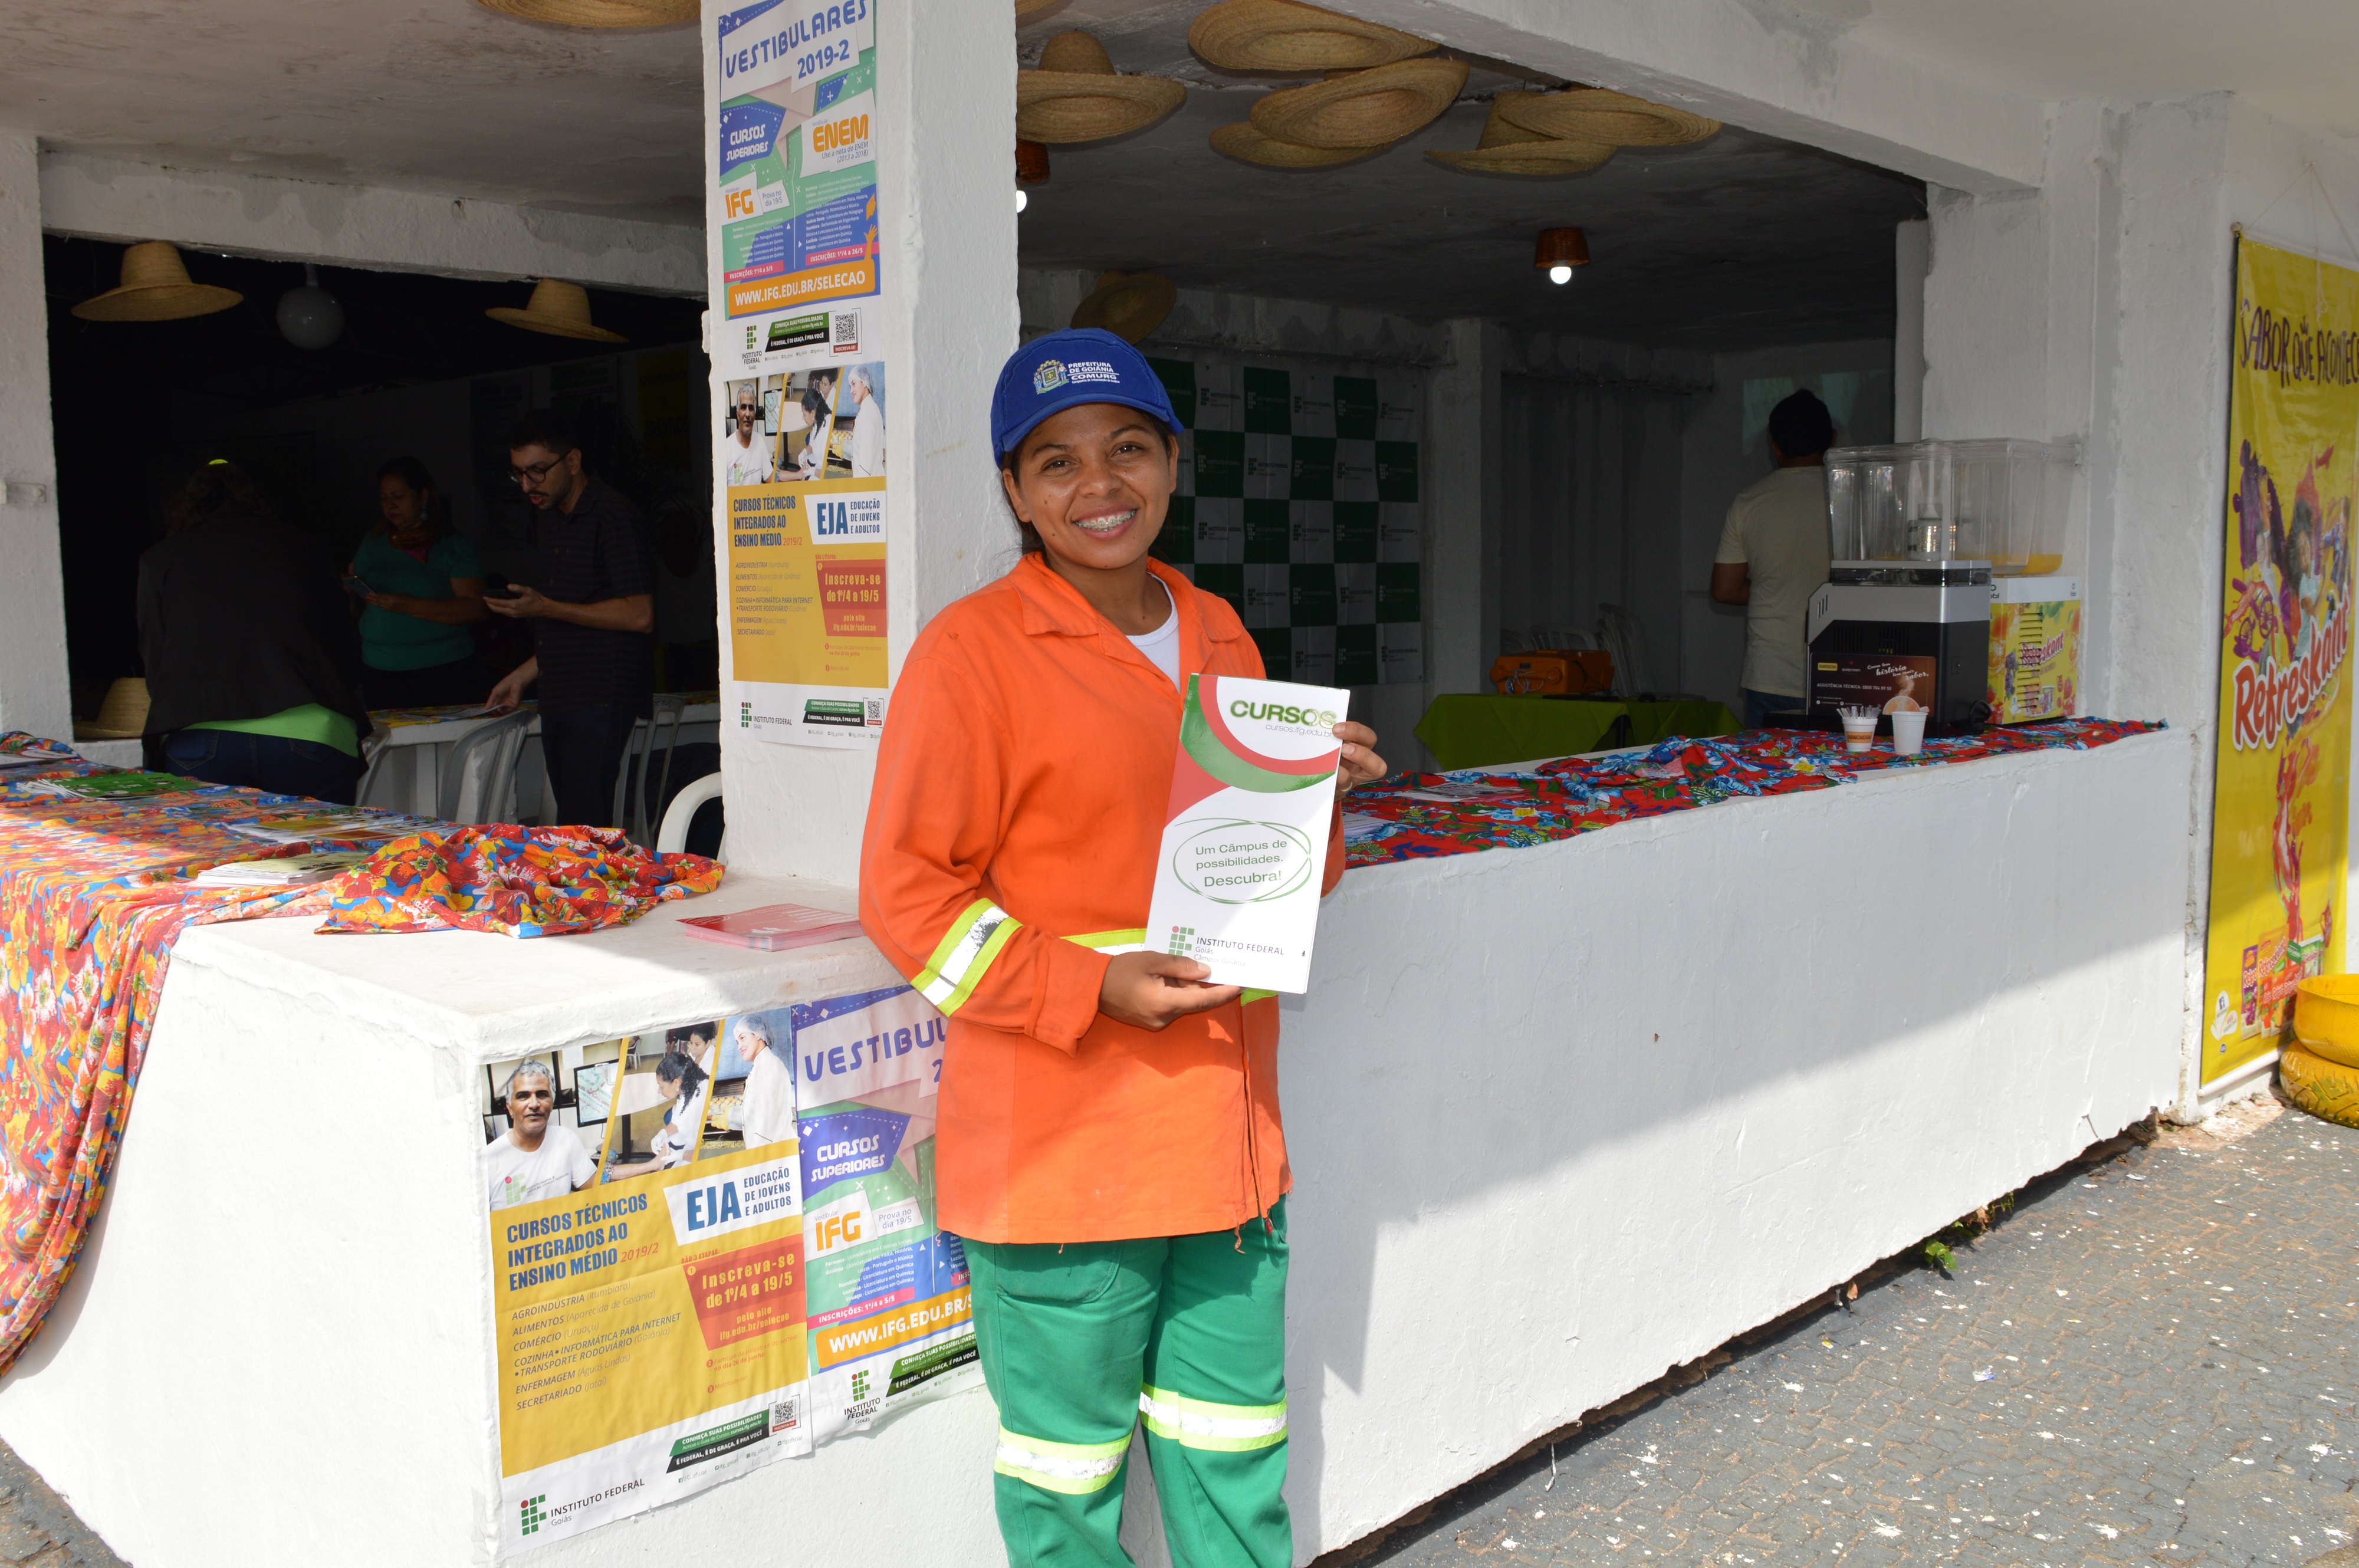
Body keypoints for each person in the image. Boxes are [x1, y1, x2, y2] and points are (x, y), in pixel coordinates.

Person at [859, 328, 1387, 1568]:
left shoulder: (1220, 635)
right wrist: (1084, 981)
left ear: (1171, 462)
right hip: (1061, 1159)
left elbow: (1267, 886)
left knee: (1233, 1467)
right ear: (1013, 492)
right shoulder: (971, 652)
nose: (1097, 485)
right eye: (1055, 463)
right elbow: (905, 897)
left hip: (1225, 1148)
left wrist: (1325, 803)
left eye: (1126, 449)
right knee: (1067, 1489)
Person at [137, 461, 372, 803]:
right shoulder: (307, 549)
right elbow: (345, 646)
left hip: (198, 738)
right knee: (321, 856)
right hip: (310, 733)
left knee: (215, 856)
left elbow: (155, 663)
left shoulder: (160, 559)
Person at [484, 410, 655, 826]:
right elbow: (575, 621)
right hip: (563, 696)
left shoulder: (611, 515)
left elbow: (639, 614)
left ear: (573, 462)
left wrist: (544, 607)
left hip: (598, 697)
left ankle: (598, 894)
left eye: (538, 471)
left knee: (584, 831)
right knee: (573, 828)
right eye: (519, 474)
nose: (527, 485)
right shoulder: (557, 521)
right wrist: (523, 674)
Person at [1710, 389, 1836, 729]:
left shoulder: (1749, 501)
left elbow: (1725, 590)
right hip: (1843, 668)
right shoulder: (1853, 501)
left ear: (1775, 445)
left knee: (1769, 775)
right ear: (1832, 441)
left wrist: (1772, 586)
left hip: (1771, 670)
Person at [349, 456, 488, 710]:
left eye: (398, 496)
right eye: (384, 498)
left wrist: (408, 606)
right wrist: (348, 588)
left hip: (443, 671)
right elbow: (357, 602)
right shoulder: (373, 541)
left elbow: (475, 608)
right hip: (379, 670)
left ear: (423, 496)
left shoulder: (452, 545)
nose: (390, 505)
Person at [486, 1061, 593, 1211]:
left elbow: (599, 1190)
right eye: (523, 1096)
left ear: (552, 1103)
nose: (534, 1104)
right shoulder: (487, 1161)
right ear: (510, 1108)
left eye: (542, 1095)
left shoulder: (566, 1139)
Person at [607, 1043, 711, 1178]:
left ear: (676, 1083)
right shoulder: (686, 1090)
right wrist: (662, 1134)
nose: (659, 1091)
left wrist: (680, 1155)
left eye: (661, 1086)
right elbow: (679, 1120)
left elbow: (704, 1153)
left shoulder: (698, 1105)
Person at [732, 1016, 794, 1149]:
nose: (739, 1047)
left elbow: (765, 1125)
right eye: (737, 1041)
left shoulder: (768, 1068)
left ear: (759, 1033)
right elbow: (756, 1111)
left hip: (772, 1153)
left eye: (742, 1038)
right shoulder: (761, 1066)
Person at [719, 382, 774, 488]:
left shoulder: (760, 442)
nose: (748, 414)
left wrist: (795, 477)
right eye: (743, 408)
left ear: (755, 413)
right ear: (737, 413)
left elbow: (770, 478)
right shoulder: (726, 449)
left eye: (751, 408)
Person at [843, 363, 885, 478]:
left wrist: (861, 491)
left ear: (865, 381)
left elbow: (866, 465)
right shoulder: (869, 409)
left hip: (868, 482)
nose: (851, 390)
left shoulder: (868, 413)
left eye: (854, 384)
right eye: (850, 386)